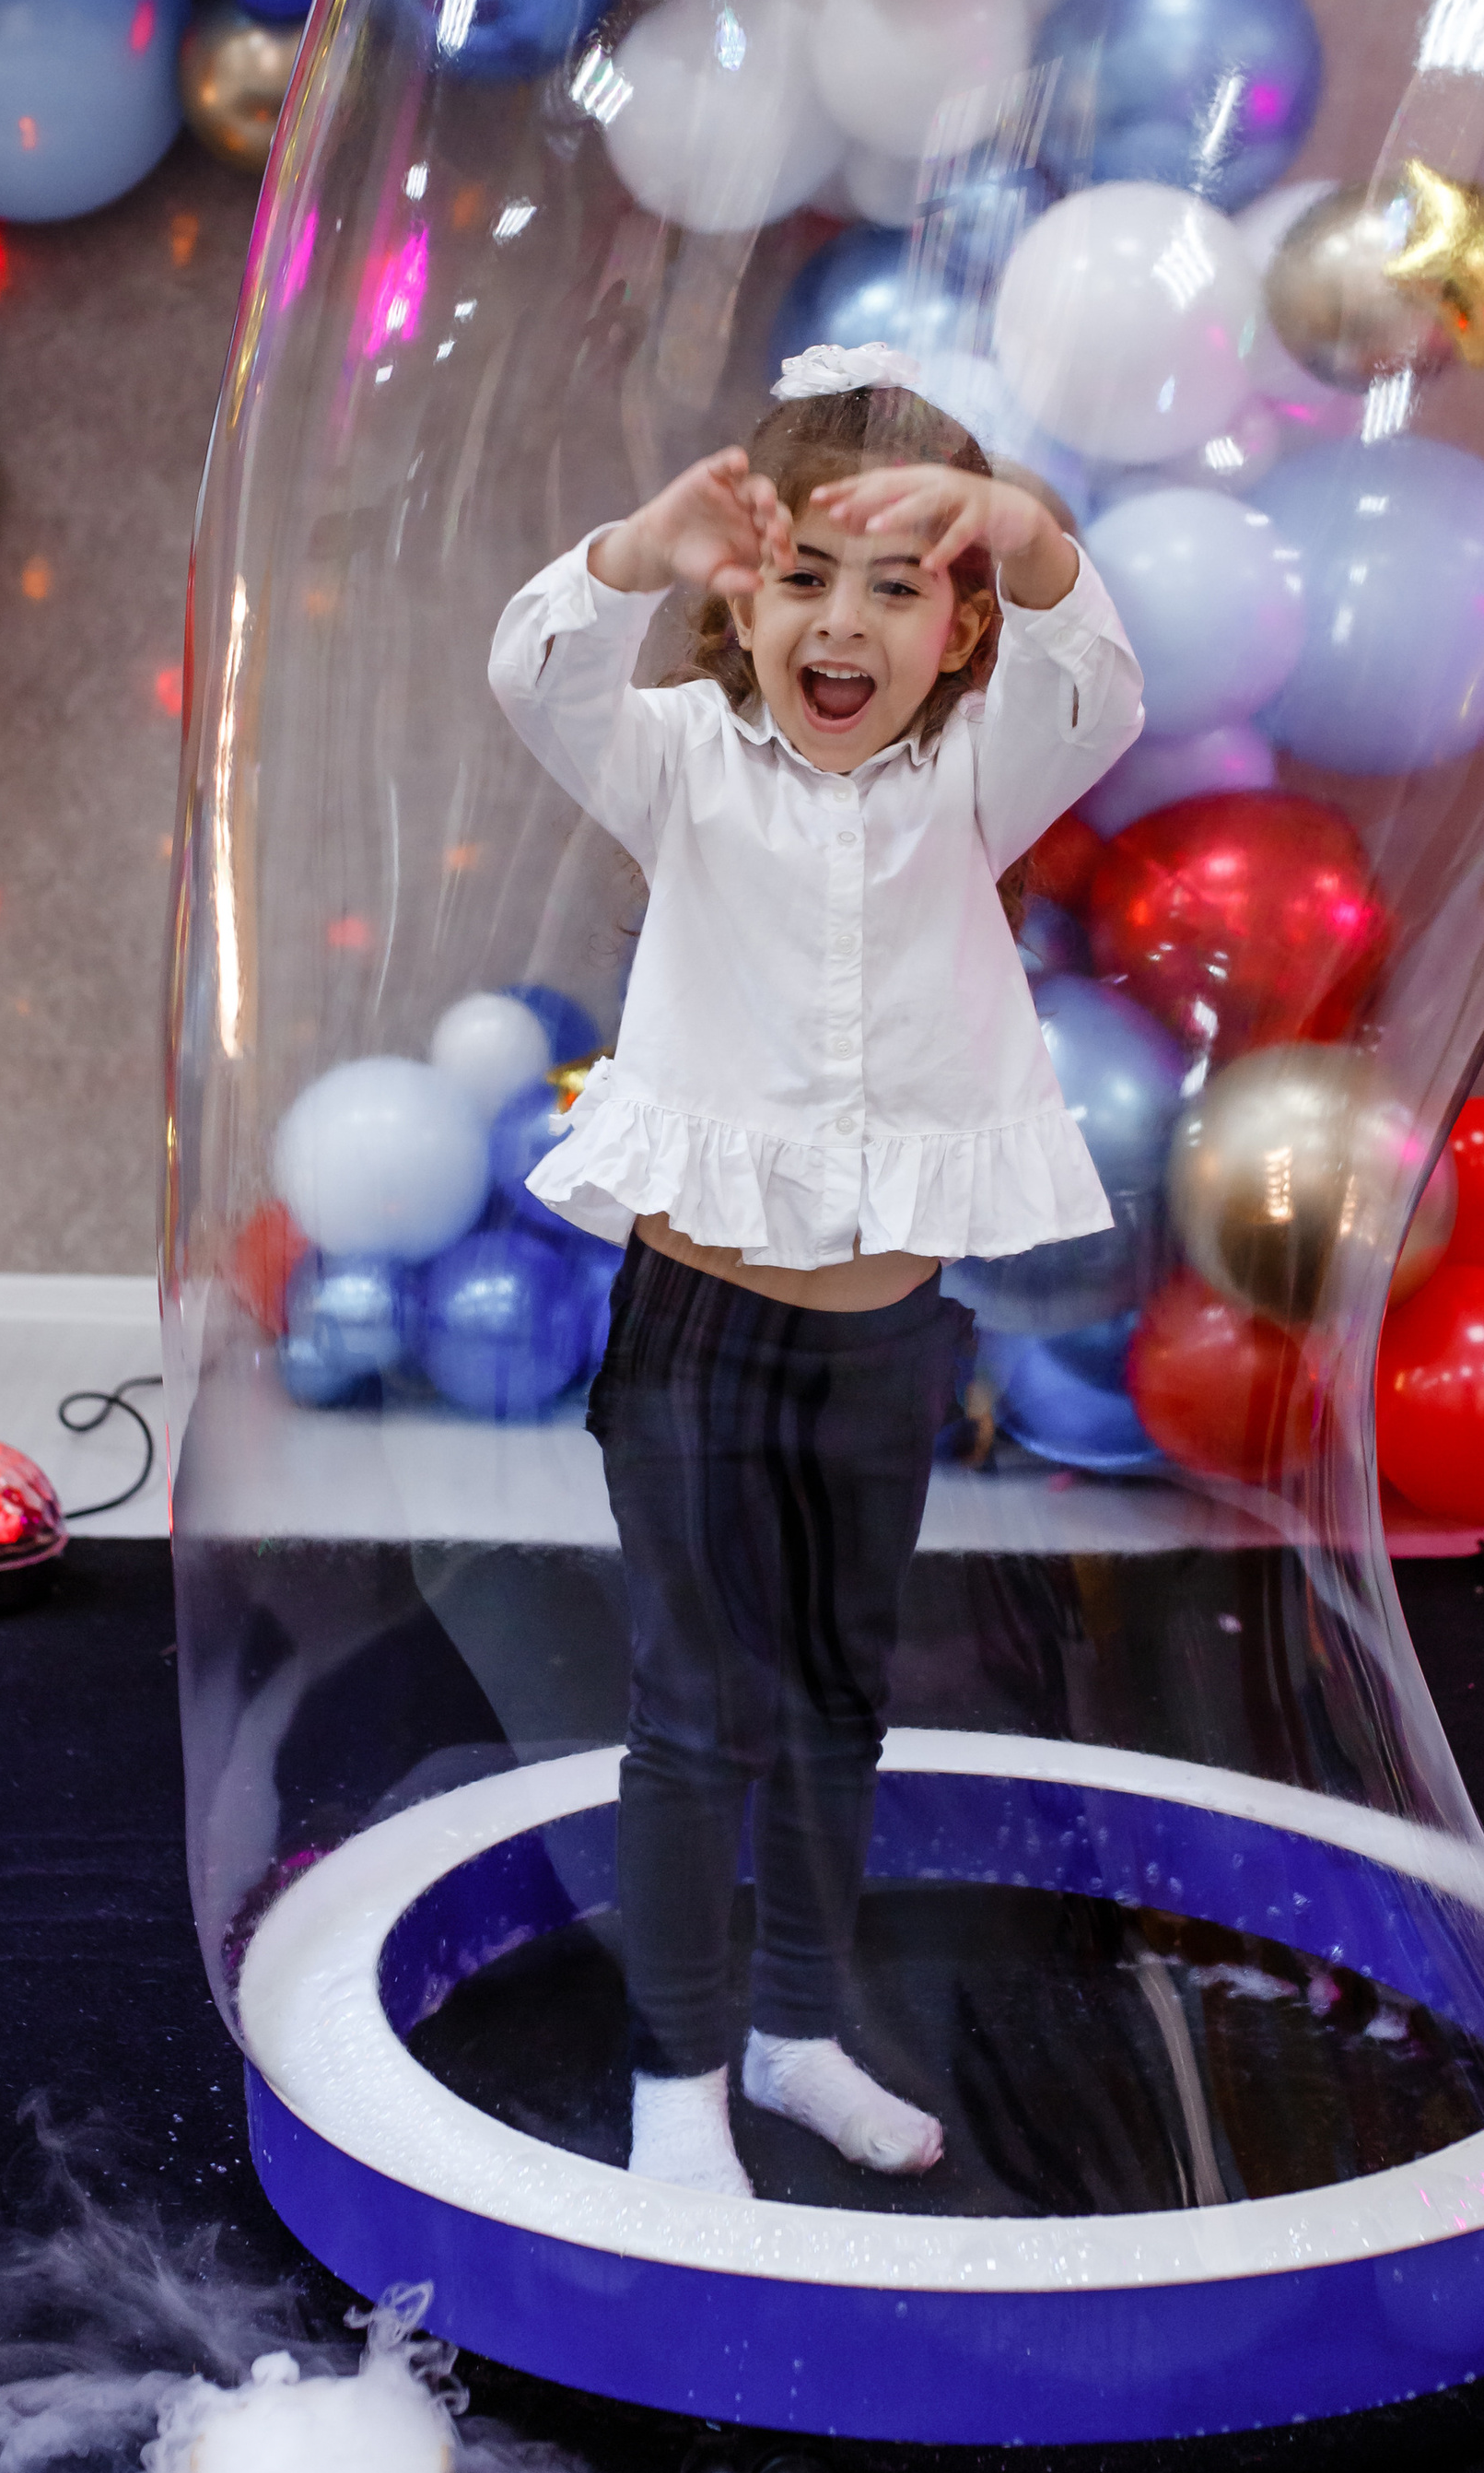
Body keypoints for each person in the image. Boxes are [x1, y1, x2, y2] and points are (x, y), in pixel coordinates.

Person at [488, 346, 1143, 2198]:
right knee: (696, 1718)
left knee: (838, 1700)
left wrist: (1020, 526)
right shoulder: (679, 761)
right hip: (696, 1336)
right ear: (743, 604)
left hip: (884, 1342)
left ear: (957, 628)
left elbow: (1100, 684)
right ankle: (676, 2079)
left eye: (896, 585)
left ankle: (792, 2033)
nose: (842, 623)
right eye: (802, 579)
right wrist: (638, 549)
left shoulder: (983, 780)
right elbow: (534, 675)